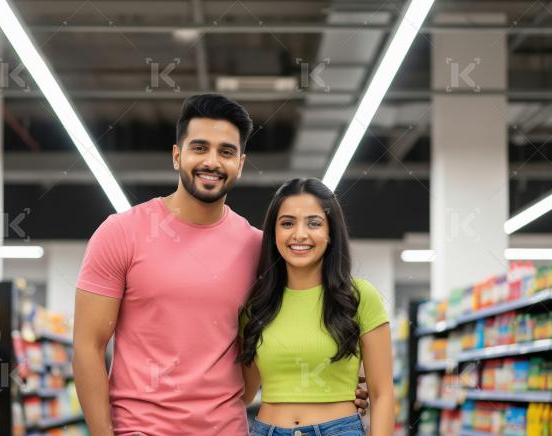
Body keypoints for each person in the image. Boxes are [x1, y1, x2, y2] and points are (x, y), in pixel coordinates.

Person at [73, 94, 368, 436]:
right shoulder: (121, 233)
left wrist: (341, 386)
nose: (212, 162)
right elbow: (87, 346)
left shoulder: (260, 248)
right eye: (199, 148)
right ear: (177, 155)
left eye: (226, 152)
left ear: (240, 164)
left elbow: (291, 329)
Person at [238, 178, 394, 436]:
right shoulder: (256, 304)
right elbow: (242, 393)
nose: (300, 234)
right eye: (287, 223)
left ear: (331, 232)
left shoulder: (360, 297)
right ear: (273, 233)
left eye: (314, 223)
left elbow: (382, 394)